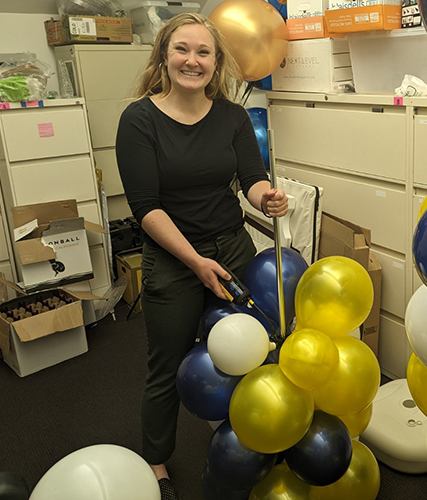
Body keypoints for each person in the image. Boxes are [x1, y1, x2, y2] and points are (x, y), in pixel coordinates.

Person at [115, 12, 288, 500]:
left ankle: (255, 440)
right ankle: (156, 463)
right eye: (182, 50)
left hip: (232, 247)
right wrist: (194, 261)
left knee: (254, 352)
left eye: (203, 52)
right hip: (173, 259)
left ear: (216, 61)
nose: (192, 60)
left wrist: (265, 197)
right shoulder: (139, 120)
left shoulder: (232, 116)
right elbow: (146, 209)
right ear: (164, 56)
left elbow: (249, 178)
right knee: (166, 367)